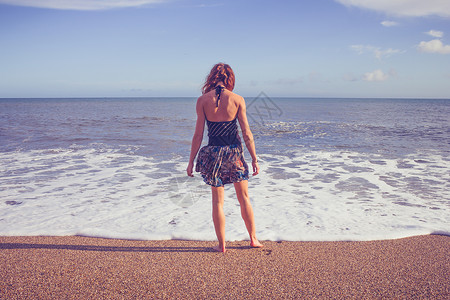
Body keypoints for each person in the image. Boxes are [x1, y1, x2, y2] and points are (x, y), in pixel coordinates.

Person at [186, 63, 263, 253]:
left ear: (212, 78)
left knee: (217, 202)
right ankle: (253, 239)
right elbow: (246, 132)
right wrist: (254, 158)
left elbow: (198, 135)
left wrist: (191, 161)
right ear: (230, 79)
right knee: (243, 197)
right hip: (234, 153)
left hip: (213, 154)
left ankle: (221, 245)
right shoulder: (237, 99)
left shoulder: (202, 101)